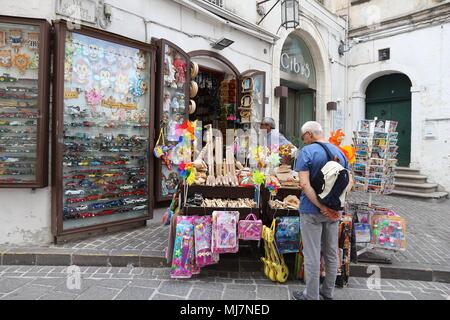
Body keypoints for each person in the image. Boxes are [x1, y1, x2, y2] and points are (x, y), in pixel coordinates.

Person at [292, 121, 352, 301]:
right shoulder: (339, 152)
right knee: (332, 253)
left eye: (304, 137)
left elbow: (304, 184)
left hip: (311, 210)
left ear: (309, 134)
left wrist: (321, 206)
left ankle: (311, 296)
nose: (304, 141)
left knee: (312, 255)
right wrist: (335, 206)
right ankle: (328, 293)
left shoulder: (307, 152)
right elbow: (349, 182)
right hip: (333, 212)